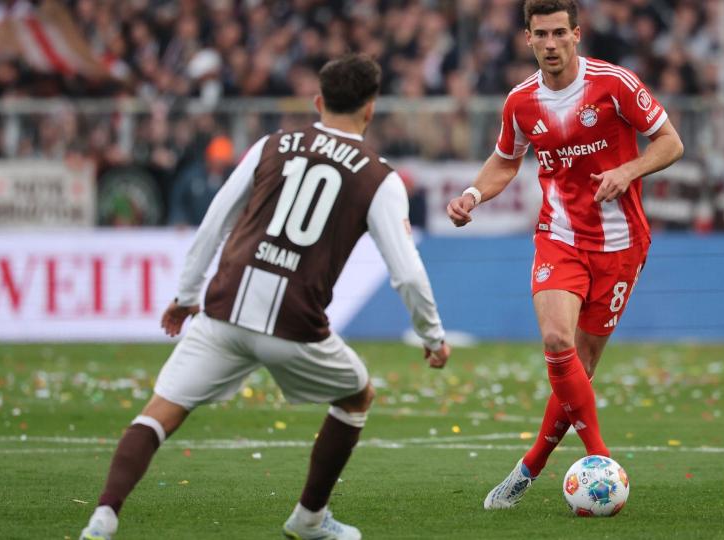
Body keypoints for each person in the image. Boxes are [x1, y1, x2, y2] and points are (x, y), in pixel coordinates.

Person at [80, 54, 450, 540]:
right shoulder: (379, 178)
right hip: (294, 324)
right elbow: (406, 272)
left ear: (318, 102)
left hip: (225, 310)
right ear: (370, 109)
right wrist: (432, 334)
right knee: (357, 394)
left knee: (161, 411)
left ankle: (103, 516)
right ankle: (309, 519)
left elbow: (215, 221)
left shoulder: (272, 145)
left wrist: (186, 295)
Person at [446, 0, 683, 509]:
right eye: (540, 35)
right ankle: (602, 461)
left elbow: (670, 142)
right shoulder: (520, 102)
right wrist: (472, 194)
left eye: (559, 33)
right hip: (560, 236)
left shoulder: (614, 83)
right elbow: (504, 161)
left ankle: (530, 465)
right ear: (527, 39)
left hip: (622, 243)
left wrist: (628, 171)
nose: (550, 44)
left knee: (583, 364)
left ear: (577, 34)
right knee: (557, 340)